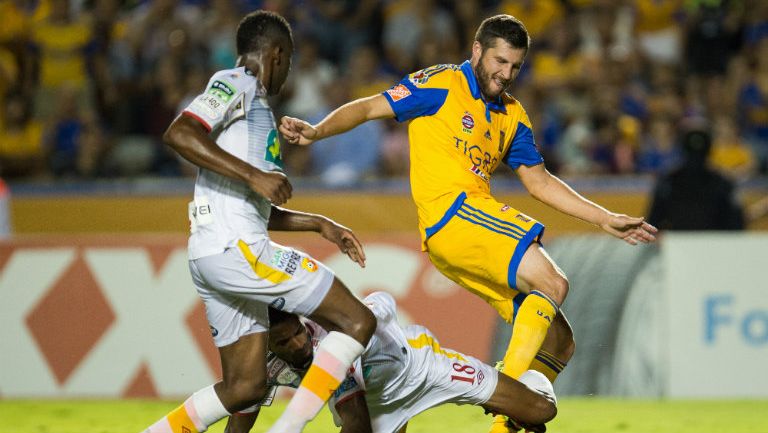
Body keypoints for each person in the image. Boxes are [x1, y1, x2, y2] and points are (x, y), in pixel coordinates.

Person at [279, 14, 658, 433]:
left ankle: (502, 427)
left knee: (559, 342)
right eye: (499, 61)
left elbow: (538, 181)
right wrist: (316, 131)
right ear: (477, 50)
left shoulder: (513, 115)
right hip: (454, 212)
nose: (506, 73)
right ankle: (506, 394)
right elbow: (370, 107)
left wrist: (604, 218)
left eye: (515, 66)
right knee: (553, 282)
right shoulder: (440, 84)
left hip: (460, 237)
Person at [142, 11, 376, 433]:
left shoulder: (256, 110)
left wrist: (319, 224)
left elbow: (254, 205)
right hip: (238, 250)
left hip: (214, 253)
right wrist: (256, 176)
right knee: (359, 320)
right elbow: (180, 133)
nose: (287, 73)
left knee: (245, 387)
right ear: (278, 54)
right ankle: (303, 419)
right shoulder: (237, 82)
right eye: (288, 63)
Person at [224, 292, 557, 433]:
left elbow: (355, 422)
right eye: (284, 342)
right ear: (266, 343)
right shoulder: (261, 365)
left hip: (423, 367)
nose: (298, 344)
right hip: (377, 403)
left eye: (298, 332)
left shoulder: (330, 344)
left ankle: (524, 382)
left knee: (542, 412)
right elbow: (240, 421)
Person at [647, 124, 745, 231]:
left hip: (683, 244)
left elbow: (652, 223)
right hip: (711, 244)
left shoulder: (668, 180)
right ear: (709, 150)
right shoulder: (723, 183)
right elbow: (737, 225)